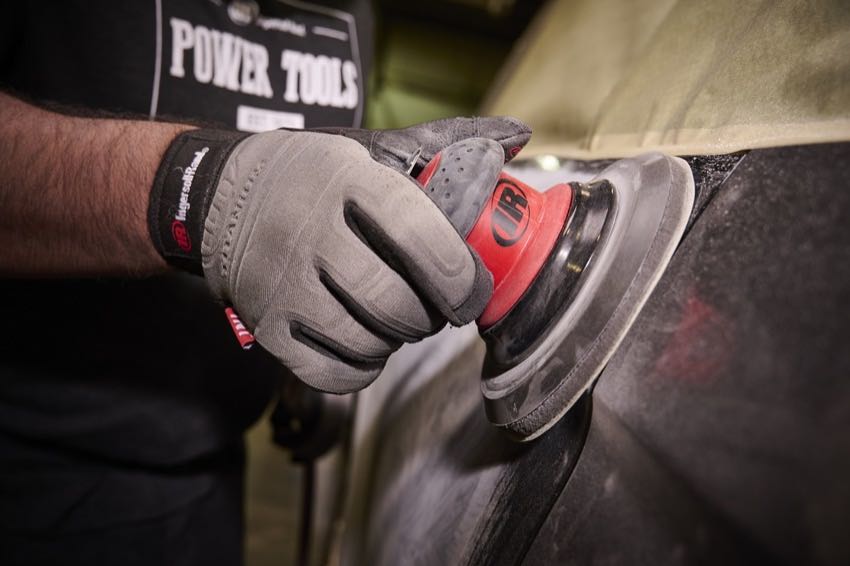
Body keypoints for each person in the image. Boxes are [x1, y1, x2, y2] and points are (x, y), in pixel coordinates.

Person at [0, 1, 529, 564]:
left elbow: (288, 199)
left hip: (204, 478)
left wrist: (298, 354)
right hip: (31, 476)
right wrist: (201, 190)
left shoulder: (351, 12)